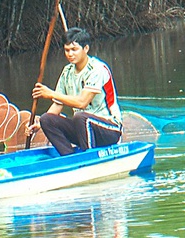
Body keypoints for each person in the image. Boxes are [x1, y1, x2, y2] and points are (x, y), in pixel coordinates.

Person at [27, 27, 122, 155]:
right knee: (46, 119)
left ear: (86, 49)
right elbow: (57, 104)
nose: (70, 54)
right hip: (82, 128)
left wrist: (50, 93)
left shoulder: (97, 69)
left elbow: (82, 103)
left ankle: (89, 156)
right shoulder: (67, 72)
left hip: (109, 129)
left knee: (80, 117)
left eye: (74, 50)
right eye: (67, 50)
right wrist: (38, 125)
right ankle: (69, 157)